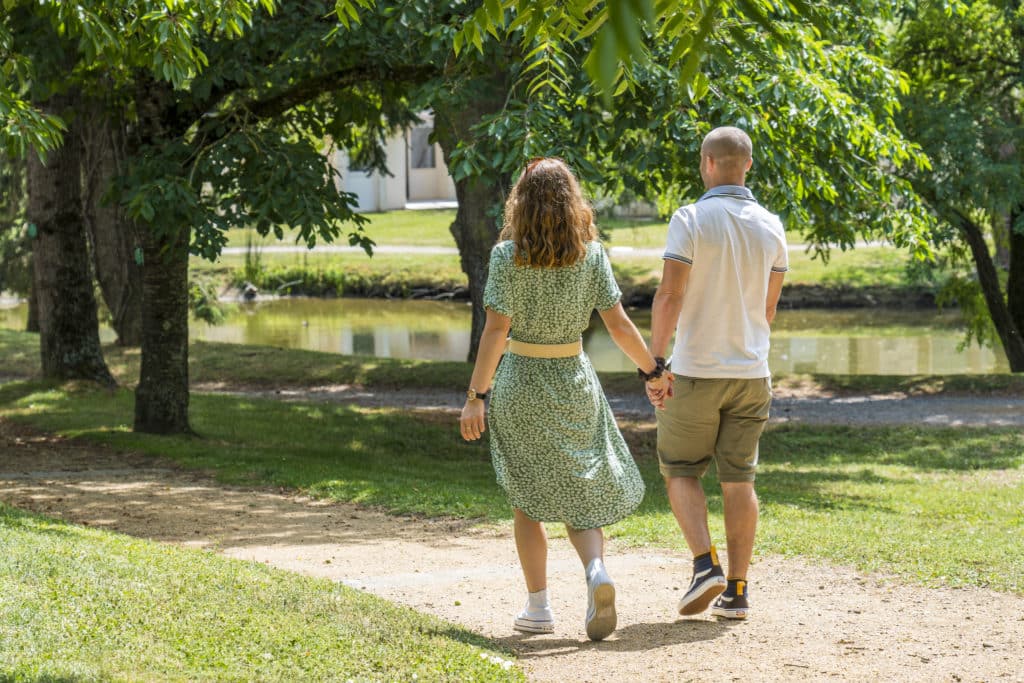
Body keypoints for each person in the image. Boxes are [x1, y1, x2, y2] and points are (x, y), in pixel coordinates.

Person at [459, 157, 670, 641]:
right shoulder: (591, 256)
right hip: (574, 379)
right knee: (581, 490)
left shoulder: (506, 256)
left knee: (526, 497)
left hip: (521, 382)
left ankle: (538, 608)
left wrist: (476, 395)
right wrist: (653, 369)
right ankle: (596, 570)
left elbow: (496, 329)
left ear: (521, 201)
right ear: (574, 201)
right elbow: (618, 324)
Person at [647, 126, 788, 620]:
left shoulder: (690, 218)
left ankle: (705, 565)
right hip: (752, 372)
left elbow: (669, 295)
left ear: (706, 162)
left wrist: (655, 364)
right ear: (747, 165)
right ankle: (738, 591)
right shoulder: (771, 225)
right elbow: (768, 310)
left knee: (681, 470)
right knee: (739, 479)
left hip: (696, 371)